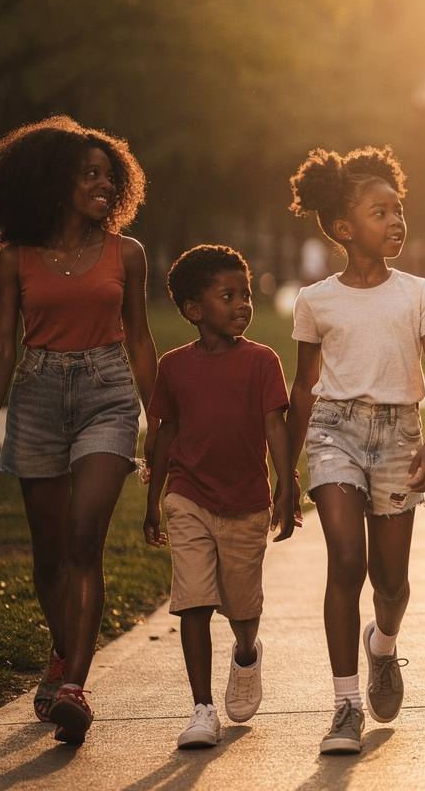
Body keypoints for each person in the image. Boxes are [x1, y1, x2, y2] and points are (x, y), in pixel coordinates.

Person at [0, 116, 158, 746]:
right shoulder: (16, 257)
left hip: (107, 392)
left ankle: (75, 686)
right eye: (89, 174)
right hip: (39, 394)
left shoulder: (126, 253)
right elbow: (2, 346)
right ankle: (61, 651)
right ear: (55, 182)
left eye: (110, 175)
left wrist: (156, 421)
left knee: (84, 540)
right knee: (48, 556)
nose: (103, 184)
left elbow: (141, 339)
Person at [287, 146, 425, 755]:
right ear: (343, 228)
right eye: (379, 212)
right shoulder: (316, 300)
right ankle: (344, 706)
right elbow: (304, 386)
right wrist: (286, 472)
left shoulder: (418, 292)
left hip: (399, 435)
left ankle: (382, 645)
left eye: (398, 210)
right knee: (345, 562)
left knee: (392, 582)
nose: (395, 221)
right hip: (334, 431)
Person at [141, 245, 298, 749]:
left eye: (245, 295)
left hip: (246, 502)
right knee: (193, 601)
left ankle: (247, 655)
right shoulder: (174, 367)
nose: (242, 305)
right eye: (228, 296)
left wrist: (287, 482)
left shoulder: (261, 361)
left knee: (241, 607)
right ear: (194, 310)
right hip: (188, 495)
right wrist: (153, 502)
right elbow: (165, 433)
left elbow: (275, 424)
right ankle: (202, 707)